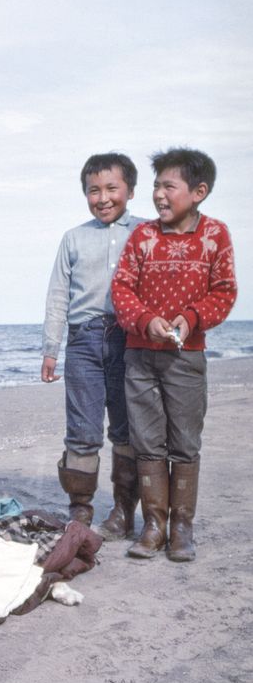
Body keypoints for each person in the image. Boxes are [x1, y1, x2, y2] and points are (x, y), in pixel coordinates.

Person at [111, 148, 237, 561]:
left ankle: (182, 527)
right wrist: (145, 320)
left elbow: (224, 292)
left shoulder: (216, 235)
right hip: (140, 358)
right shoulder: (142, 236)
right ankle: (153, 525)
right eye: (156, 186)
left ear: (198, 192)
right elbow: (122, 289)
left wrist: (190, 317)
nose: (159, 195)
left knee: (184, 443)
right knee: (147, 443)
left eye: (169, 186)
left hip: (187, 359)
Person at [41, 153, 144, 535]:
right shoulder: (73, 238)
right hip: (83, 342)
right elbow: (57, 296)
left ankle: (122, 509)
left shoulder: (147, 233)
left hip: (131, 341)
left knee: (126, 429)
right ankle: (81, 508)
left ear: (130, 190)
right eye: (93, 190)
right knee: (82, 431)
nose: (102, 198)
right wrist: (51, 349)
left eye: (111, 188)